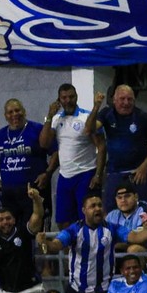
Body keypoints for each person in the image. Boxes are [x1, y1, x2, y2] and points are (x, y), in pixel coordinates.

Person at [37, 194, 147, 293]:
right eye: (93, 206)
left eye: (100, 205)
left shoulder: (113, 228)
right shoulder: (74, 230)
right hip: (76, 291)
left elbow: (135, 237)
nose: (97, 209)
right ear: (84, 210)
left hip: (103, 291)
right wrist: (45, 243)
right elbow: (56, 245)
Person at [85, 85, 147, 212]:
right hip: (115, 173)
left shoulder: (143, 117)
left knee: (141, 212)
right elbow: (89, 129)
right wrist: (96, 107)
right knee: (110, 212)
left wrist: (145, 167)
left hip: (138, 174)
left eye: (129, 99)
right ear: (114, 100)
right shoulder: (106, 114)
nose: (126, 103)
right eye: (122, 99)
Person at [38, 83, 105, 229]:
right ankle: (71, 251)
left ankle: (89, 248)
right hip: (65, 175)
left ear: (76, 97)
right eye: (64, 98)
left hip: (86, 173)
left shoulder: (86, 116)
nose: (68, 100)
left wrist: (98, 174)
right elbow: (44, 143)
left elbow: (101, 146)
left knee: (89, 218)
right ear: (59, 100)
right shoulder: (56, 119)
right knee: (63, 221)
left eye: (71, 97)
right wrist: (49, 116)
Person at [0, 99, 54, 224]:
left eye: (17, 110)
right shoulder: (0, 135)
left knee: (35, 229)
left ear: (24, 111)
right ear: (5, 116)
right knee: (12, 232)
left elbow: (55, 152)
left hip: (34, 191)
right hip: (9, 194)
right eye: (10, 112)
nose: (14, 114)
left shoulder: (37, 129)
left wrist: (48, 173)